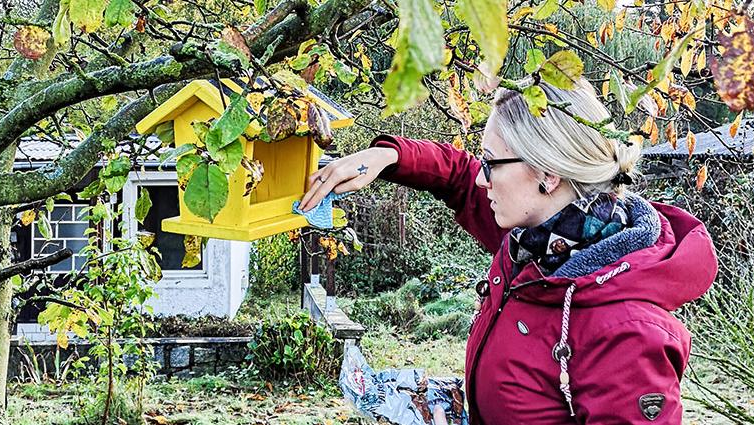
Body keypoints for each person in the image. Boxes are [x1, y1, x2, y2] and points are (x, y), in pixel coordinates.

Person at [299, 77, 717, 424]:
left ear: (548, 174)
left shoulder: (626, 333)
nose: (482, 180)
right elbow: (459, 176)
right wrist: (387, 156)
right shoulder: (533, 239)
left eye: (491, 164)